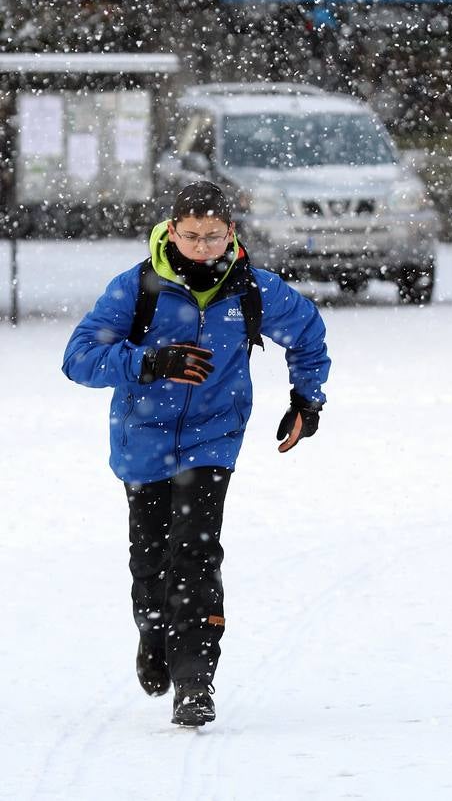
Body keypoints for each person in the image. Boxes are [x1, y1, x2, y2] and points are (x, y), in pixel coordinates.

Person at [62, 181, 330, 727]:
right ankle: (152, 629)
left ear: (230, 232)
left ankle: (195, 681)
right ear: (171, 230)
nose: (203, 246)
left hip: (213, 438)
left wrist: (307, 399)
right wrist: (147, 362)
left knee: (197, 553)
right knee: (151, 559)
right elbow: (79, 358)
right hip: (143, 439)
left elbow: (308, 335)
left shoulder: (254, 288)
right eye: (191, 236)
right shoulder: (138, 288)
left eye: (213, 235)